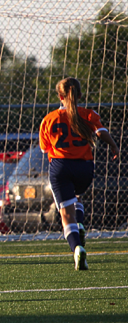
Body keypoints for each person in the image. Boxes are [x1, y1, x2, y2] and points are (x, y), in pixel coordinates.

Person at [40, 77, 119, 271]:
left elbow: (44, 149)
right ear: (80, 95)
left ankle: (77, 248)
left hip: (60, 167)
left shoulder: (49, 119)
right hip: (84, 168)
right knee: (77, 196)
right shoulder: (88, 114)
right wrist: (113, 145)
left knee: (66, 214)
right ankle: (80, 225)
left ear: (60, 96)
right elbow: (101, 132)